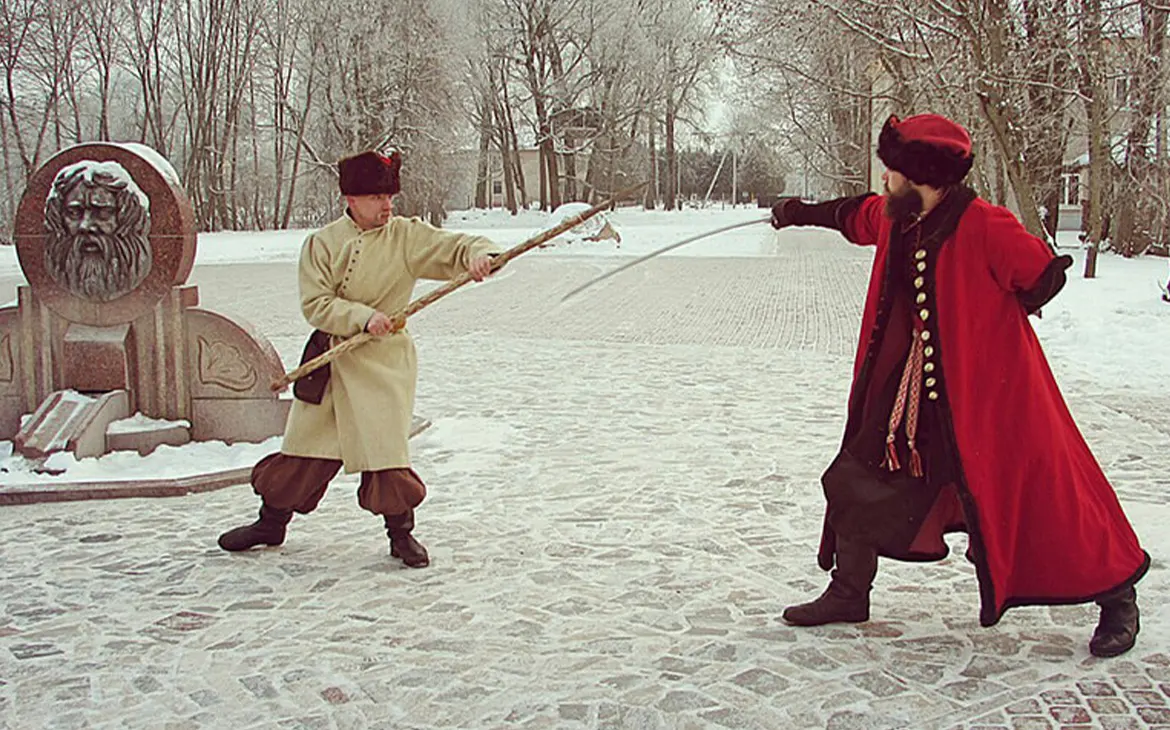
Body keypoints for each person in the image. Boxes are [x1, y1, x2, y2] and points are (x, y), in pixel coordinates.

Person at [770, 113, 1149, 658]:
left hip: (988, 396)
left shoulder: (984, 224)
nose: (884, 179)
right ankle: (849, 591)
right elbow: (853, 214)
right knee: (856, 475)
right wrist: (796, 212)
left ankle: (1117, 596)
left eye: (892, 170)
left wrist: (986, 326)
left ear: (919, 174)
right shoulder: (897, 215)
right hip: (910, 394)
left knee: (1047, 493)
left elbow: (1040, 274)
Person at [217, 149, 498, 568]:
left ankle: (401, 535)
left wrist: (481, 255)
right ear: (350, 199)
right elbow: (316, 304)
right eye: (376, 197)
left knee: (386, 454)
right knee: (304, 450)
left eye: (389, 197)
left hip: (383, 366)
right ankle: (270, 524)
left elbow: (457, 247)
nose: (387, 206)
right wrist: (363, 318)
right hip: (331, 360)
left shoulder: (406, 236)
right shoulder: (322, 243)